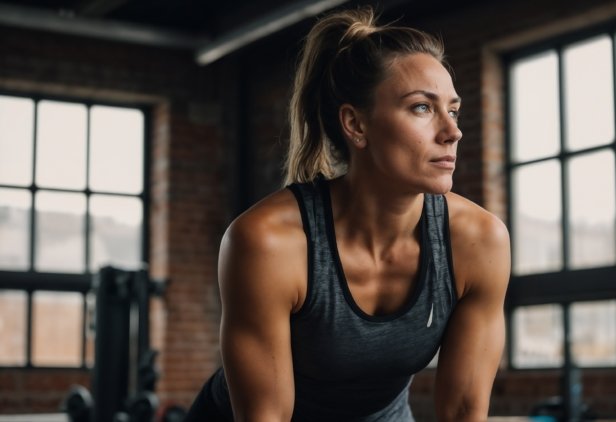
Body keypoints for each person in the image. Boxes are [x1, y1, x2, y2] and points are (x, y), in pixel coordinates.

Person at [185, 6, 510, 422]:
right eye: (421, 108)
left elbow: (464, 411)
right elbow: (265, 416)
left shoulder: (478, 241)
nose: (452, 131)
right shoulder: (268, 241)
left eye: (453, 110)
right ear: (356, 125)